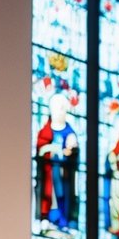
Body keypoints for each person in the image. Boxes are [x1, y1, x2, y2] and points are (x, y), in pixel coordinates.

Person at [35, 92, 79, 231]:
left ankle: (64, 220)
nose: (60, 112)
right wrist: (53, 149)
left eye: (62, 108)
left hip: (65, 174)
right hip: (49, 173)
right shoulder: (46, 131)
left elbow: (74, 152)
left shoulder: (69, 131)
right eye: (57, 108)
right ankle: (49, 219)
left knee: (63, 196)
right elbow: (41, 149)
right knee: (50, 196)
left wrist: (72, 149)